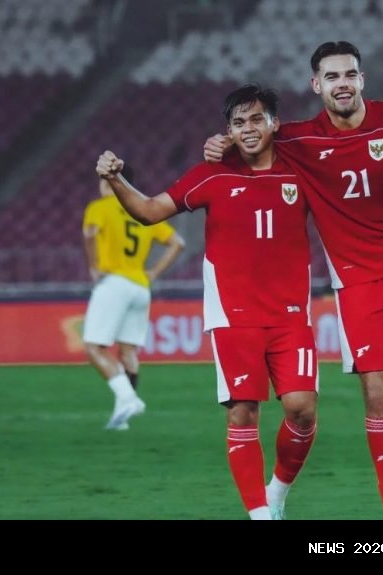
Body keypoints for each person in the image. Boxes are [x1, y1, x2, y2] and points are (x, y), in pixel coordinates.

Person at [205, 41, 383, 519]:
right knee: (379, 396)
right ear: (316, 85)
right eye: (331, 76)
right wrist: (217, 145)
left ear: (361, 79)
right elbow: (251, 143)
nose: (341, 83)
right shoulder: (299, 140)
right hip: (358, 283)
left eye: (349, 74)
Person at [96, 84, 320, 520]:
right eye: (238, 123)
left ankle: (276, 494)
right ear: (228, 130)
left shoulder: (303, 170)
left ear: (275, 123)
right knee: (242, 412)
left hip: (291, 313)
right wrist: (114, 177)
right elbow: (146, 211)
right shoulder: (210, 174)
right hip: (233, 314)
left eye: (257, 119)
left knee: (303, 410)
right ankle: (258, 514)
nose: (249, 129)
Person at [82, 164, 185, 430]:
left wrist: (94, 267)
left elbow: (89, 234)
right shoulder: (140, 207)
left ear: (108, 181)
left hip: (113, 282)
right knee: (128, 350)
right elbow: (178, 243)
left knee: (95, 347)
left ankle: (127, 397)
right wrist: (153, 273)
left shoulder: (99, 207)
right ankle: (122, 416)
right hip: (140, 286)